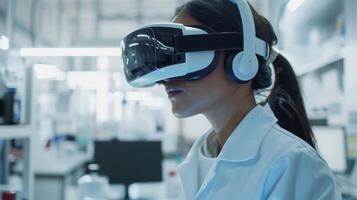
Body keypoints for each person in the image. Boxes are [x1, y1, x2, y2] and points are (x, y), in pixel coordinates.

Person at [121, 0, 342, 199]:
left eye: (182, 58)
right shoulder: (199, 160)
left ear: (242, 60)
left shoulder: (294, 165)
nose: (166, 79)